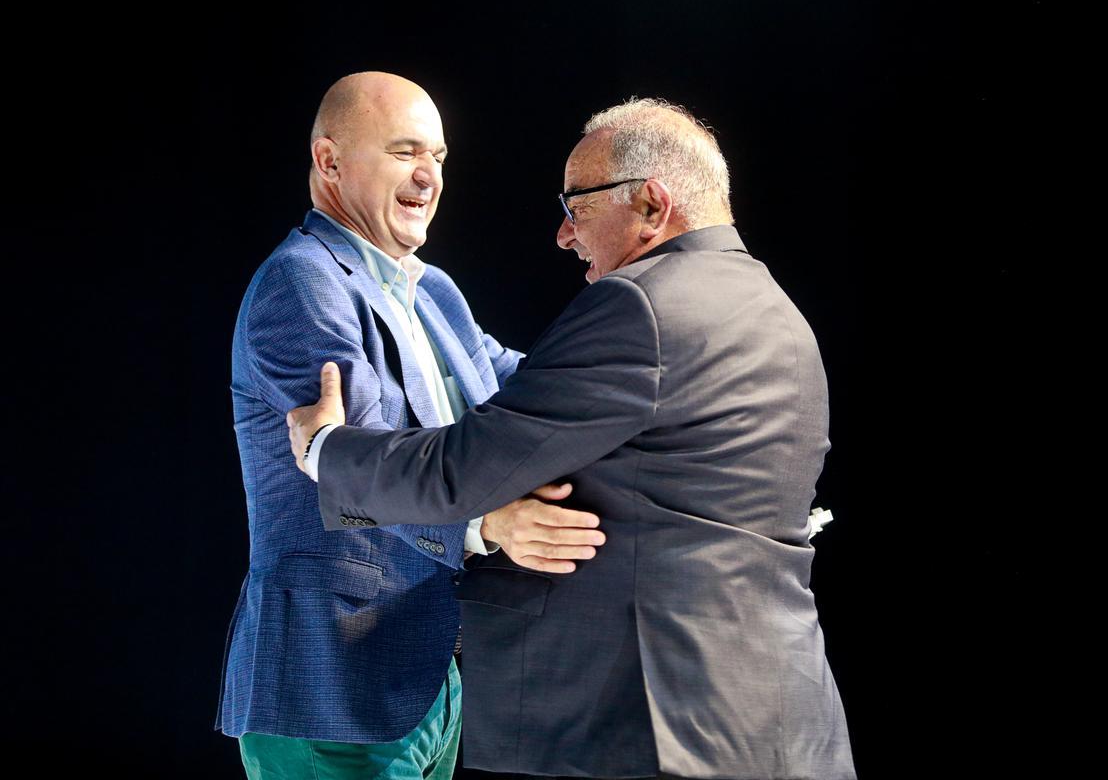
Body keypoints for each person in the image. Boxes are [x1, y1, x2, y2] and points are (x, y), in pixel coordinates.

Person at [288, 98, 856, 780]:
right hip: (779, 719)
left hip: (649, 725)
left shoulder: (639, 305)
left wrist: (328, 448)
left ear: (650, 204)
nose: (563, 234)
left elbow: (462, 468)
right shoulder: (778, 314)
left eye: (577, 205)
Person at [216, 72, 603, 780]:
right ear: (329, 162)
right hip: (328, 689)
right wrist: (489, 526)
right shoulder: (302, 282)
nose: (429, 175)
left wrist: (645, 357)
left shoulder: (434, 292)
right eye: (404, 152)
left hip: (426, 682)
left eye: (440, 157)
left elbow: (525, 390)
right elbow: (371, 465)